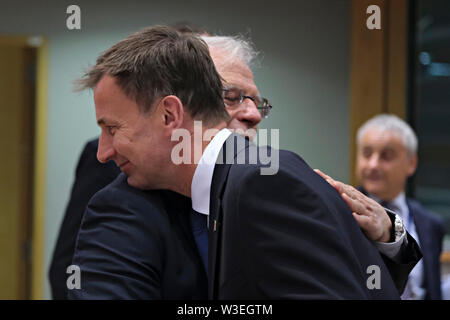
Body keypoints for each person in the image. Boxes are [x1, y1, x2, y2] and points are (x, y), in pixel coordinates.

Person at [74, 26, 420, 299]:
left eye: (257, 100)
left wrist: (391, 235)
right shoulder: (131, 202)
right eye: (232, 96)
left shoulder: (264, 181)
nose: (253, 114)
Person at [355, 114, 446, 300]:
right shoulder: (342, 212)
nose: (373, 164)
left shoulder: (430, 224)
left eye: (386, 156)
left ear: (411, 163)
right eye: (366, 154)